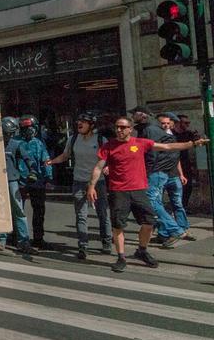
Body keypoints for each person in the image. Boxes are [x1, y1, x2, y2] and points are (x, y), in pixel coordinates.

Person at [87, 116, 208, 273]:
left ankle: (142, 250)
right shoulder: (109, 146)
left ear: (130, 129)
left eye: (123, 127)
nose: (119, 130)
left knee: (149, 222)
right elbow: (98, 167)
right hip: (118, 191)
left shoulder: (140, 143)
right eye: (117, 127)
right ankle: (121, 257)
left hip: (139, 190)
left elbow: (168, 147)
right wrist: (91, 186)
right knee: (118, 226)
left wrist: (192, 144)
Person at [47, 112, 112, 259]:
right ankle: (83, 246)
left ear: (92, 125)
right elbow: (65, 156)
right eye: (78, 122)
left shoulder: (101, 140)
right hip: (79, 181)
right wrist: (51, 162)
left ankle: (106, 242)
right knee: (81, 215)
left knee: (102, 213)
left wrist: (108, 167)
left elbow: (110, 158)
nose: (79, 124)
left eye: (83, 122)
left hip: (98, 182)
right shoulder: (73, 138)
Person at [129, 106, 185, 247]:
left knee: (151, 201)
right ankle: (165, 233)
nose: (132, 117)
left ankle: (174, 229)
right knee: (156, 201)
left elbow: (151, 153)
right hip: (159, 171)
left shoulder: (149, 130)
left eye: (134, 114)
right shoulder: (147, 129)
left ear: (142, 115)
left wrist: (147, 171)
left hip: (156, 171)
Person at [0, 117, 33, 254]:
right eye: (7, 133)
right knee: (1, 210)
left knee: (18, 210)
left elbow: (27, 158)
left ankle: (23, 241)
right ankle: (2, 239)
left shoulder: (16, 144)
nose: (9, 136)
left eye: (11, 133)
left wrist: (33, 170)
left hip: (12, 180)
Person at [155, 112, 191, 248]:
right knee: (159, 205)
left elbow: (176, 159)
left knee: (178, 204)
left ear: (172, 124)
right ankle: (165, 233)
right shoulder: (157, 138)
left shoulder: (174, 138)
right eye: (163, 123)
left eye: (168, 123)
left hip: (174, 176)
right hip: (160, 175)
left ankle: (182, 229)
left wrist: (181, 174)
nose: (165, 125)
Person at [17, 115, 52, 248]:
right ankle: (18, 237)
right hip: (20, 180)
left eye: (30, 128)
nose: (28, 131)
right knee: (18, 210)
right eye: (25, 128)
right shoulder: (16, 142)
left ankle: (38, 238)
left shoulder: (38, 143)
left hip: (37, 181)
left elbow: (45, 160)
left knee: (38, 211)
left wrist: (48, 177)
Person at [174, 113, 200, 222]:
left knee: (188, 186)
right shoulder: (172, 135)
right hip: (174, 163)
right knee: (176, 187)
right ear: (179, 123)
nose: (188, 125)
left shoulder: (188, 134)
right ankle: (177, 208)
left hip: (186, 163)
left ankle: (184, 206)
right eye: (186, 123)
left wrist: (197, 138)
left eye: (188, 123)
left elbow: (197, 142)